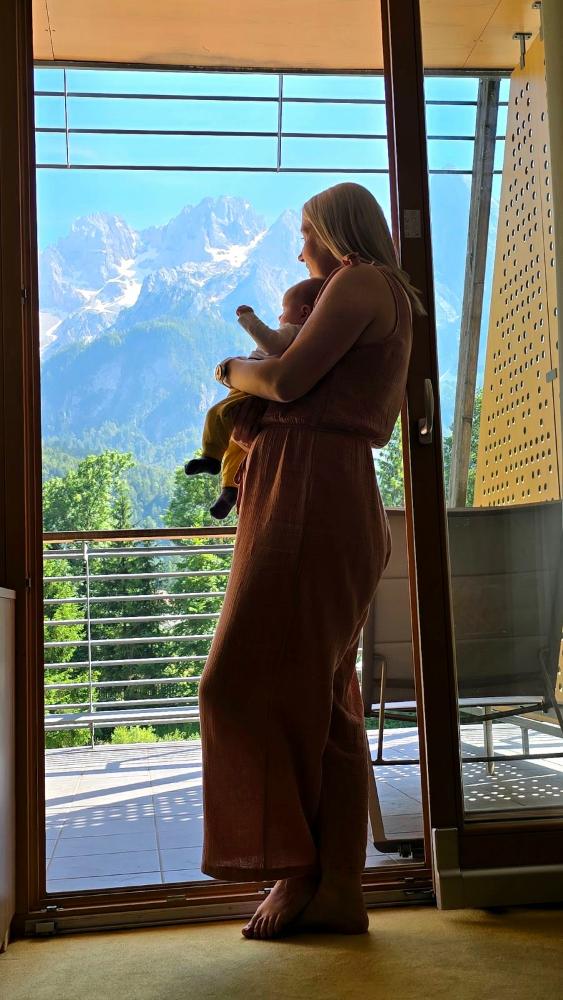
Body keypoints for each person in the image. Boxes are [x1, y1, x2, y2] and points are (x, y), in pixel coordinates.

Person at [198, 182, 424, 941]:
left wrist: (230, 369)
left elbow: (285, 380)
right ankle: (336, 890)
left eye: (305, 233)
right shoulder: (375, 292)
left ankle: (295, 866)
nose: (300, 253)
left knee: (234, 683)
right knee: (324, 702)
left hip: (310, 495)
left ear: (334, 230)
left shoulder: (360, 281)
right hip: (315, 491)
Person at [185, 277, 324, 519]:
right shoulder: (312, 341)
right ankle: (230, 490)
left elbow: (270, 343)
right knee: (236, 449)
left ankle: (210, 457)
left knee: (218, 414)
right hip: (261, 394)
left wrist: (248, 318)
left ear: (304, 312)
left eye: (284, 310)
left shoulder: (294, 331)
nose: (280, 317)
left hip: (249, 387)